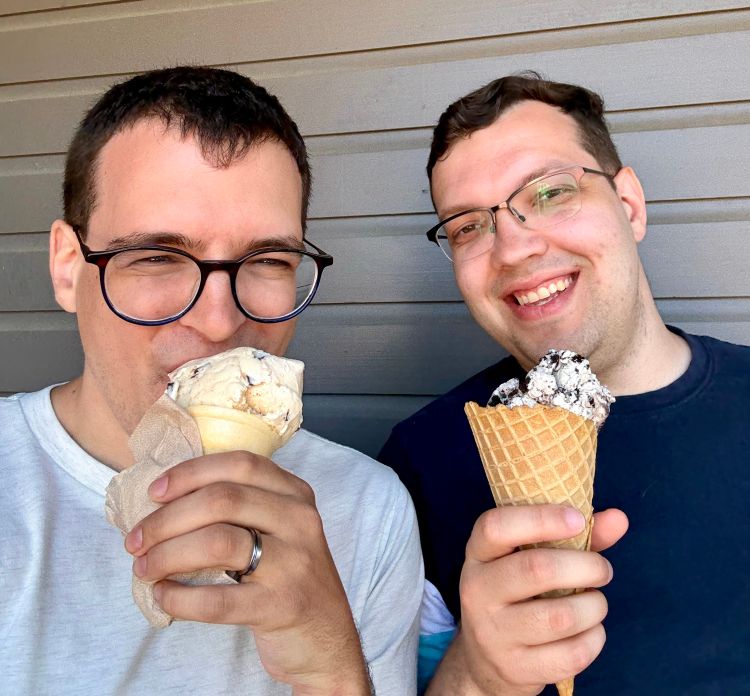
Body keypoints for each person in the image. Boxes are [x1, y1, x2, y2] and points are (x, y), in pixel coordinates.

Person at [2, 66, 422, 696]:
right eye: (156, 257)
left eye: (269, 260)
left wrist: (330, 669)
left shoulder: (369, 511)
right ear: (69, 269)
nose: (221, 321)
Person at [379, 72, 750, 695]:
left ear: (629, 205)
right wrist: (478, 673)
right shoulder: (418, 465)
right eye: (468, 225)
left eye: (551, 192)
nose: (514, 247)